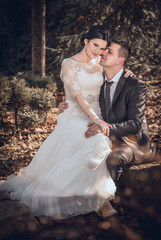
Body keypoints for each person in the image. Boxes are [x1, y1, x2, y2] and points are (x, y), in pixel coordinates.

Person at [0, 25, 118, 219]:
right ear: (85, 41)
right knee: (94, 141)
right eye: (95, 45)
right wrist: (96, 120)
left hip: (97, 114)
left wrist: (127, 74)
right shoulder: (68, 63)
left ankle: (94, 197)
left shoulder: (101, 63)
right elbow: (78, 97)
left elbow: (116, 80)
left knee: (94, 141)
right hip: (74, 114)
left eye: (102, 48)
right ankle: (99, 200)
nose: (97, 51)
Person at [60, 38, 154, 185]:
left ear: (119, 61)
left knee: (113, 159)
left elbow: (135, 124)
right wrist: (65, 104)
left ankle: (109, 200)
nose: (103, 53)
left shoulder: (135, 85)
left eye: (109, 52)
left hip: (131, 142)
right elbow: (83, 97)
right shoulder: (99, 80)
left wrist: (104, 129)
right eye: (105, 50)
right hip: (106, 138)